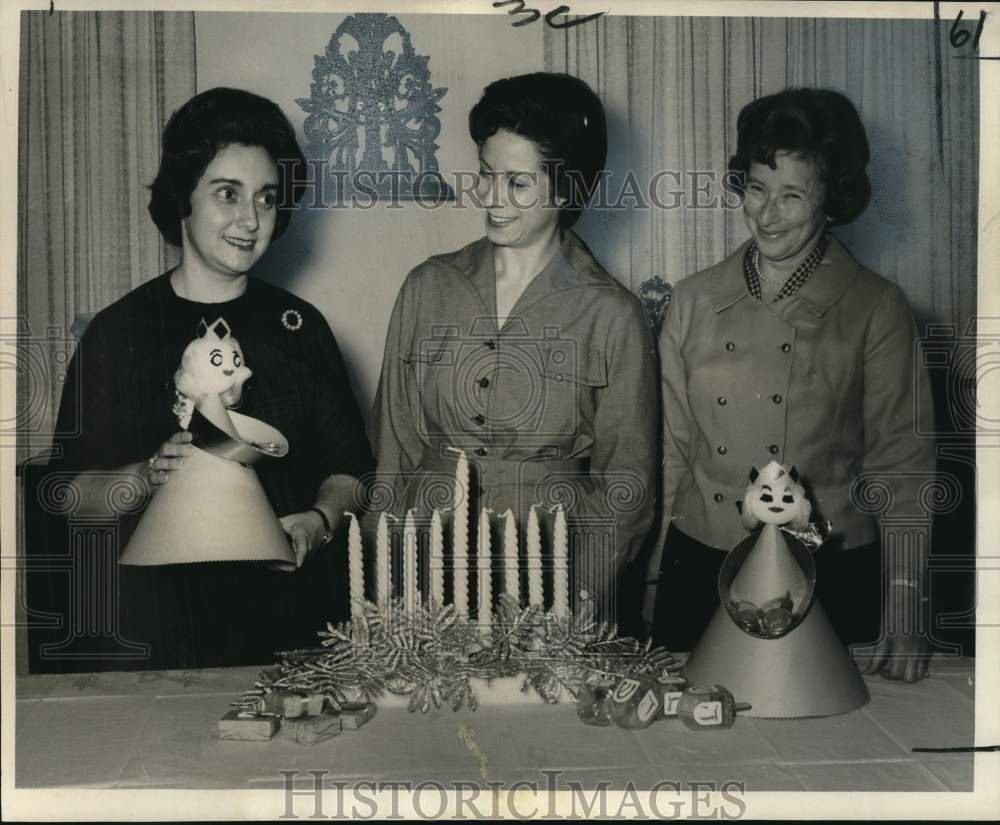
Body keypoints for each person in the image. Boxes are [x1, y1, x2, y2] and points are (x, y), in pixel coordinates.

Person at [44, 87, 373, 671]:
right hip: (156, 633)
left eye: (267, 198)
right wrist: (144, 476)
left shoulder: (303, 329)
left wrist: (319, 523)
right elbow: (69, 496)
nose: (250, 220)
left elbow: (351, 473)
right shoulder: (117, 334)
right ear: (182, 198)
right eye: (228, 193)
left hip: (292, 627)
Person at [645, 88, 936, 682]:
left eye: (791, 195)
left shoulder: (877, 307)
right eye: (756, 189)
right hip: (700, 563)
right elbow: (672, 455)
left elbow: (903, 469)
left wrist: (904, 611)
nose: (766, 214)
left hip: (830, 573)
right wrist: (653, 578)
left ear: (831, 199)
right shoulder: (693, 299)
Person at [370, 73, 658, 624]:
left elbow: (628, 488)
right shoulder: (427, 287)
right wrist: (390, 587)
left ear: (568, 188)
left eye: (518, 183)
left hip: (556, 574)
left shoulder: (611, 313)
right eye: (486, 174)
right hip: (429, 569)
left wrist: (575, 605)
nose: (492, 198)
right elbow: (394, 449)